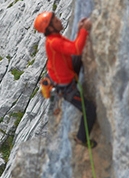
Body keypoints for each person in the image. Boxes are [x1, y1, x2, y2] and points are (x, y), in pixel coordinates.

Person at [34, 11, 97, 148]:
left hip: (65, 72)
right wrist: (85, 30)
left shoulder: (54, 38)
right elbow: (76, 48)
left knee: (78, 58)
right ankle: (82, 138)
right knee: (90, 110)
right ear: (50, 28)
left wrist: (79, 31)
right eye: (55, 20)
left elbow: (69, 48)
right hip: (66, 87)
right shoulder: (54, 42)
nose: (59, 20)